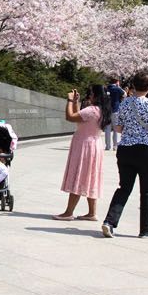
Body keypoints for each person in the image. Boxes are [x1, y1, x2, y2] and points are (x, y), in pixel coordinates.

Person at [101, 72, 148, 239]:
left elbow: (119, 128)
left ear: (133, 86)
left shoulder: (125, 103)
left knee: (124, 187)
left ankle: (109, 221)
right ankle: (145, 229)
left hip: (126, 149)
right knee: (147, 191)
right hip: (146, 150)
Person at [54, 86, 105, 221]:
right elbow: (79, 118)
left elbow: (70, 117)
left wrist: (70, 101)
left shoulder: (91, 110)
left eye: (90, 93)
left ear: (94, 95)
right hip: (95, 145)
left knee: (79, 174)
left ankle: (68, 212)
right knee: (91, 177)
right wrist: (76, 102)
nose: (89, 96)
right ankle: (92, 212)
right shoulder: (101, 110)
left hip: (84, 145)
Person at [104, 76, 124, 151]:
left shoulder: (106, 88)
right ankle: (115, 146)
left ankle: (107, 146)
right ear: (117, 82)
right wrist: (119, 87)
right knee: (115, 128)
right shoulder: (117, 88)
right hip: (115, 109)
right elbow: (124, 94)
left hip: (107, 110)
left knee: (107, 128)